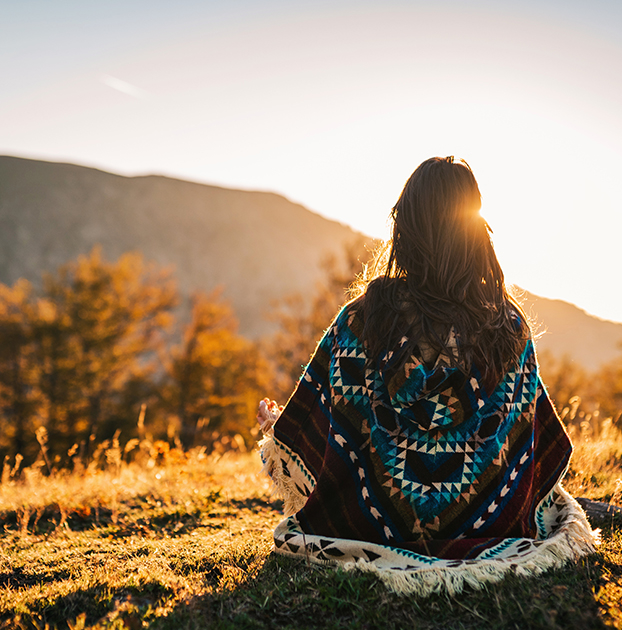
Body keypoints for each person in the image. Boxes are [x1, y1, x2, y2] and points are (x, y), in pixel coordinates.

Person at [255, 156, 596, 595]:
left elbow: (326, 443)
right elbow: (529, 450)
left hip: (371, 532)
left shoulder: (360, 322)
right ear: (475, 234)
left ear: (406, 229)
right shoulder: (507, 329)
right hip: (492, 528)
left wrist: (281, 427)